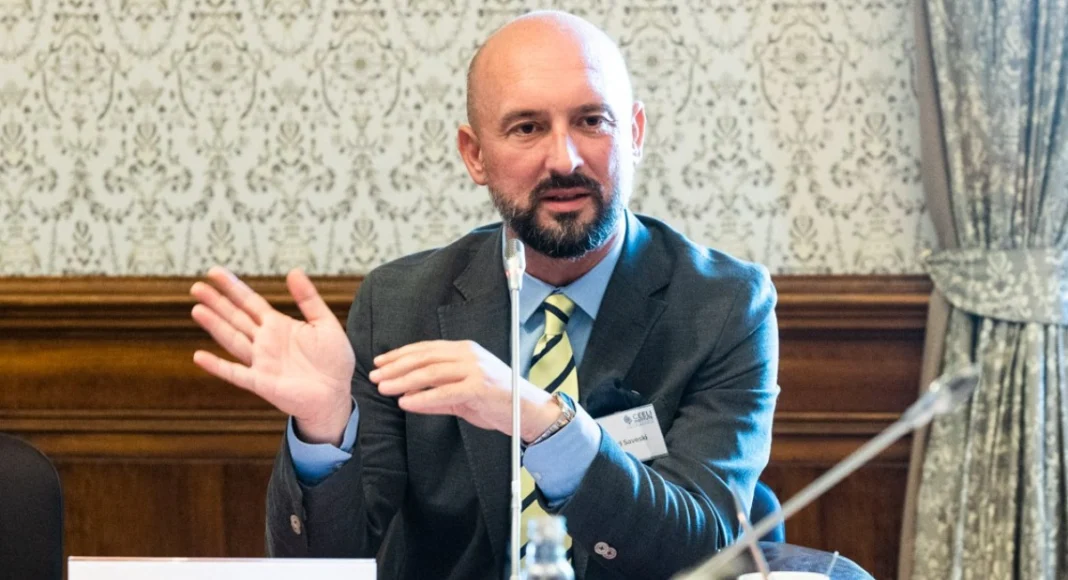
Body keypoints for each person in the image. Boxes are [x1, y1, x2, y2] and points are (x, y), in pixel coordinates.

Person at [190, 10, 778, 580]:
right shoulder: (398, 305)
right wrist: (323, 429)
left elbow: (703, 548)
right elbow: (323, 565)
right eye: (527, 128)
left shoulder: (724, 306)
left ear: (635, 133)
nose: (564, 159)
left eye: (591, 121)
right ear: (475, 155)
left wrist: (544, 423)